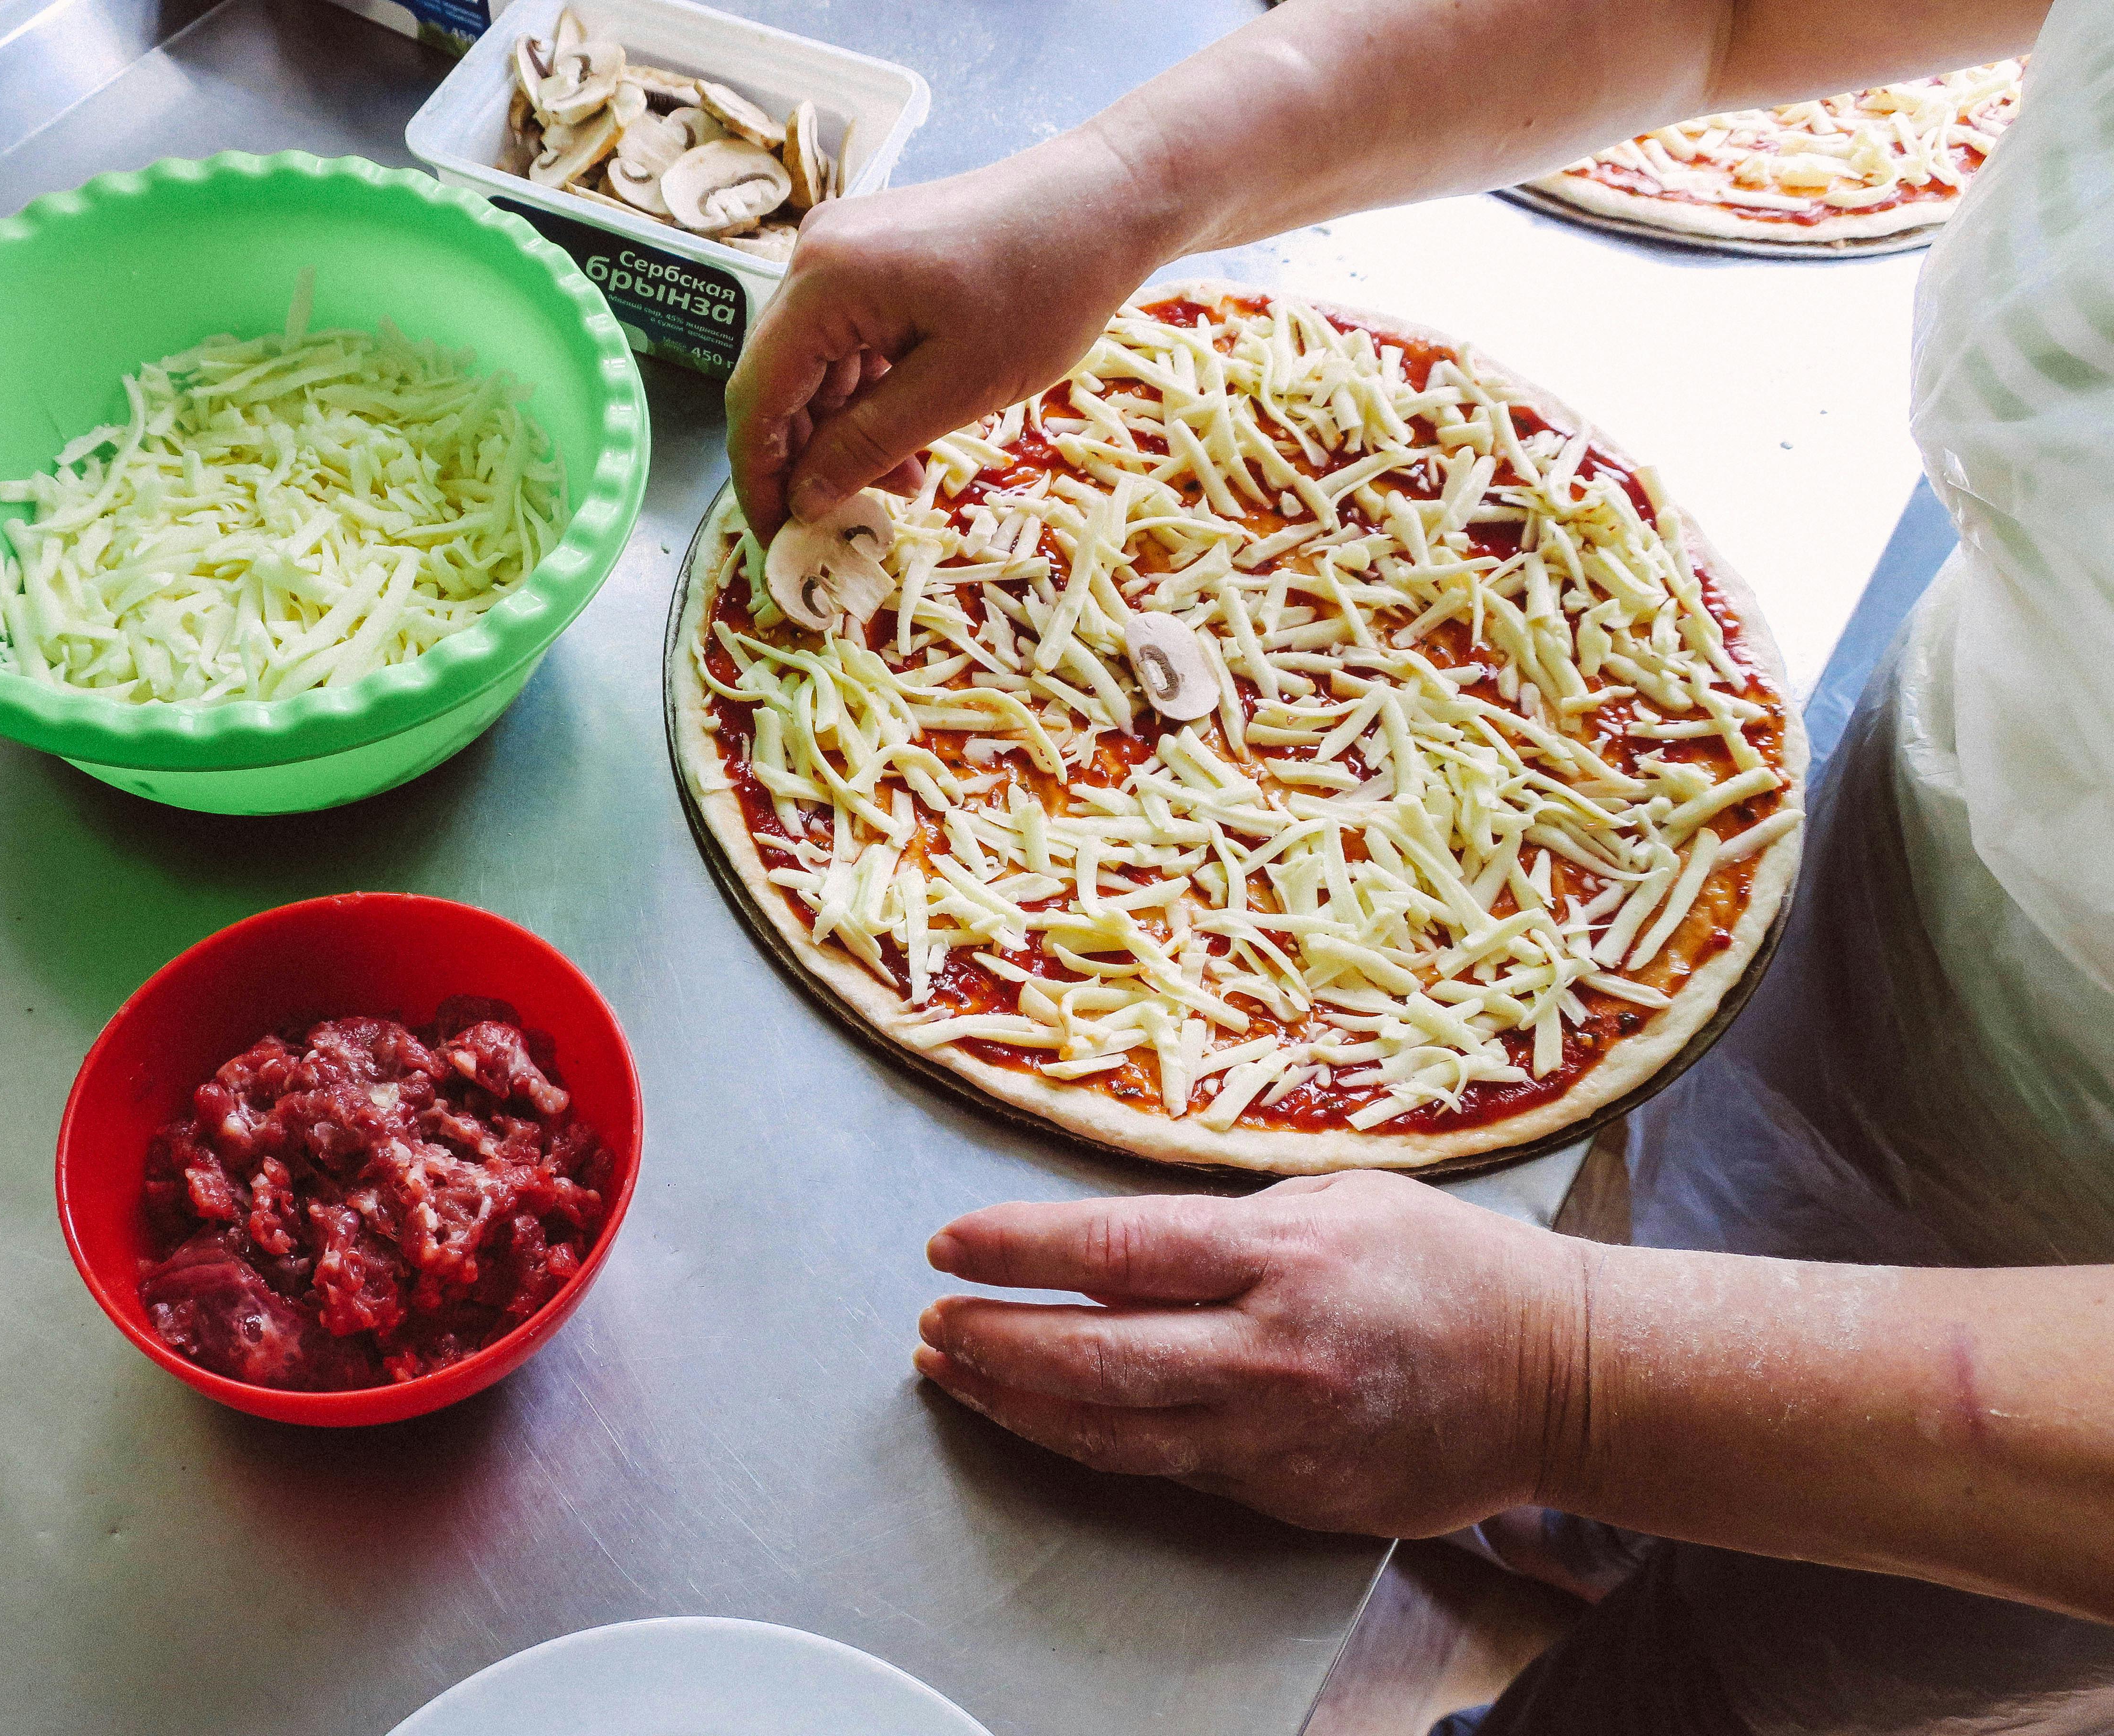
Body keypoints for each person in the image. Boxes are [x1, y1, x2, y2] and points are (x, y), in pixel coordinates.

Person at [723, 0, 2114, 1728]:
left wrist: (1573, 1378)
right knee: (1651, 1239)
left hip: (2061, 1452)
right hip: (1913, 857)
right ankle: (1553, 1531)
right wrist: (1129, 183)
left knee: (1752, 1682)